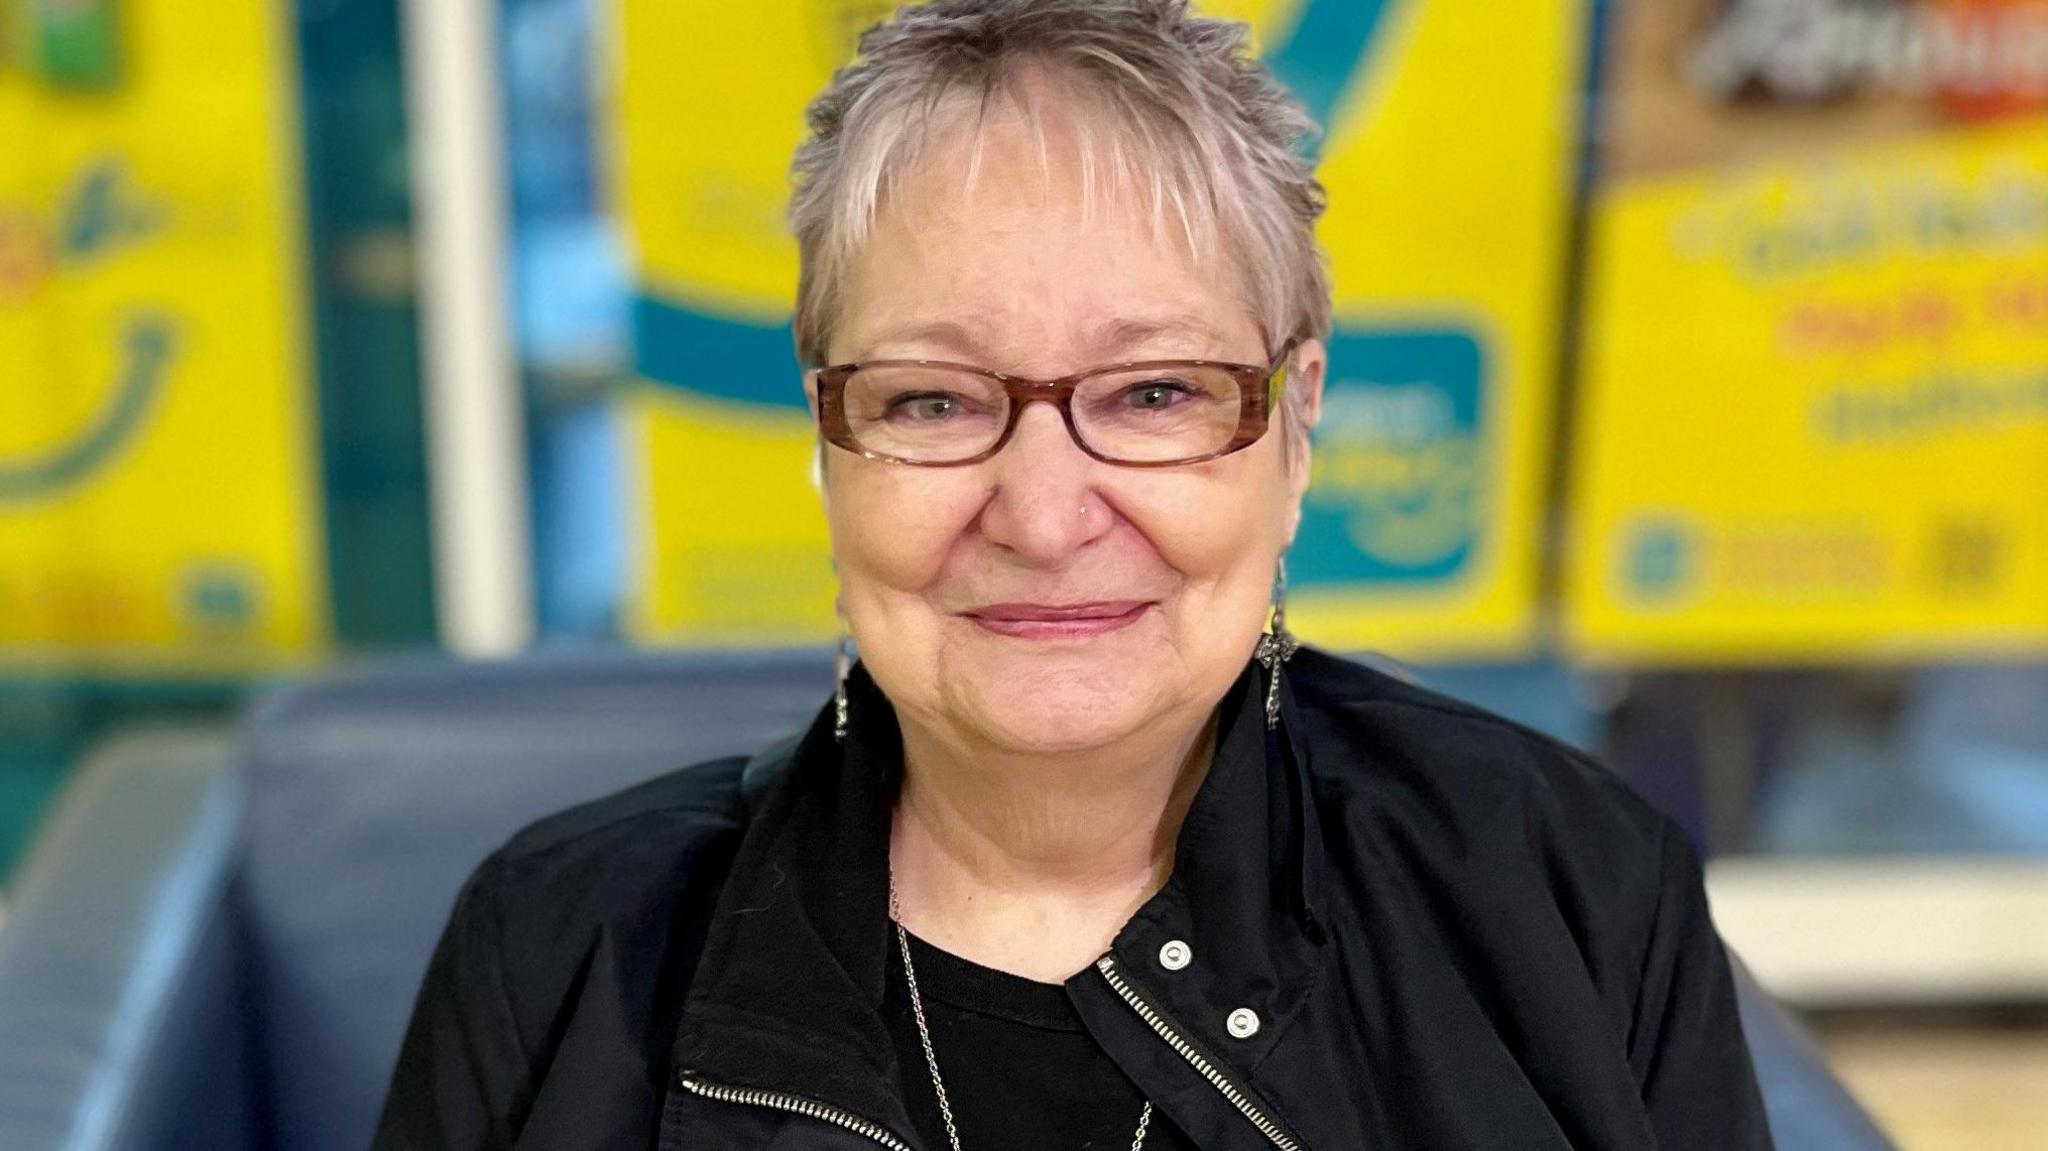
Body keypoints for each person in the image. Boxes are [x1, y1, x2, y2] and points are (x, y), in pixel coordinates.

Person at [373, 2, 1773, 1148]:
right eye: (931, 402)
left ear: (1294, 432)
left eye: (1156, 392)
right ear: (827, 441)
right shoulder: (557, 953)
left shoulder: (1565, 890)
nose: (1042, 516)